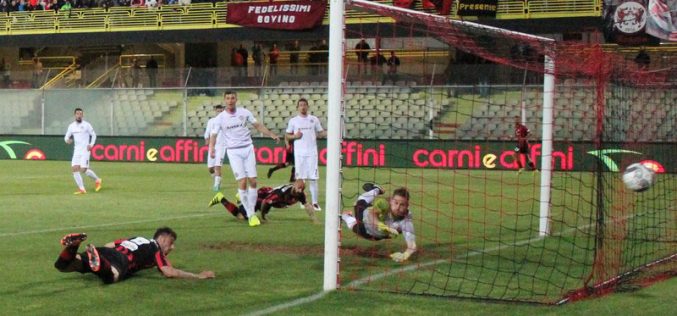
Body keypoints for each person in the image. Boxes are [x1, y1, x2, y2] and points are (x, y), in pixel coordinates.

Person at [209, 91, 280, 227]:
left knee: (253, 181)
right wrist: (211, 148)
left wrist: (271, 134)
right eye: (228, 98)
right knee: (242, 182)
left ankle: (251, 210)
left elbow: (257, 125)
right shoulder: (220, 118)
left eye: (232, 98)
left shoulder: (244, 113)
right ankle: (251, 214)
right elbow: (213, 135)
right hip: (234, 152)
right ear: (224, 100)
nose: (230, 100)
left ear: (236, 99)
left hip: (248, 148)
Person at [54, 227, 215, 284]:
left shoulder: (137, 238)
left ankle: (74, 247)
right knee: (111, 277)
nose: (172, 247)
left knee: (63, 266)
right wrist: (198, 276)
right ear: (163, 239)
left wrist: (99, 250)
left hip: (104, 251)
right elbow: (169, 272)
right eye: (171, 242)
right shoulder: (156, 250)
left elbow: (112, 244)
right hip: (120, 261)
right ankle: (101, 263)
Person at [340, 183, 417, 263]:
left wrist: (405, 255)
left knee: (356, 227)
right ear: (391, 201)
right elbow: (371, 215)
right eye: (396, 203)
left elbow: (412, 246)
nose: (397, 207)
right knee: (359, 202)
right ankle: (376, 190)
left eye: (402, 205)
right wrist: (381, 225)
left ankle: (346, 216)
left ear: (407, 206)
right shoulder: (384, 203)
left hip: (376, 235)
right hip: (364, 217)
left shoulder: (406, 220)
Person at [208, 179, 318, 223]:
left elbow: (307, 205)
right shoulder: (281, 194)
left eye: (300, 191)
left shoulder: (300, 194)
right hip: (260, 196)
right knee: (242, 217)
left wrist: (314, 218)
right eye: (296, 190)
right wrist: (264, 218)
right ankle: (221, 198)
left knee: (251, 213)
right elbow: (266, 202)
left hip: (267, 195)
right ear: (293, 186)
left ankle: (241, 198)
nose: (298, 192)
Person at [285, 98, 326, 211]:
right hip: (299, 154)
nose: (303, 107)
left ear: (307, 106)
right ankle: (302, 201)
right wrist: (295, 136)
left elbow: (321, 133)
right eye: (300, 105)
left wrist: (332, 131)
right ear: (297, 107)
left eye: (304, 105)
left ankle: (315, 203)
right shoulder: (293, 121)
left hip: (312, 153)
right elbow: (287, 136)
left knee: (313, 178)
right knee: (300, 179)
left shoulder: (314, 119)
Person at [65, 108, 102, 194]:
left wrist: (91, 144)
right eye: (77, 114)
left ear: (82, 115)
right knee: (74, 169)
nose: (79, 115)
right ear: (75, 115)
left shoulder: (87, 125)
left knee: (83, 169)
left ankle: (97, 180)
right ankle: (82, 189)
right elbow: (66, 137)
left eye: (80, 114)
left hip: (85, 150)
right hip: (76, 151)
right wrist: (67, 140)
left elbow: (93, 135)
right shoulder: (71, 126)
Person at [205, 104, 226, 191]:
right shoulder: (211, 121)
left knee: (217, 166)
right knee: (210, 168)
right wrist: (207, 139)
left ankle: (216, 185)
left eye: (221, 111)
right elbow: (207, 132)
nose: (219, 113)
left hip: (221, 147)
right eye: (218, 111)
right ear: (215, 111)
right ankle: (217, 179)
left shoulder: (226, 122)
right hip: (212, 146)